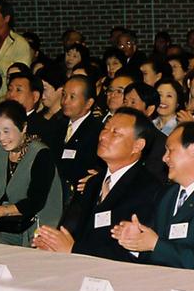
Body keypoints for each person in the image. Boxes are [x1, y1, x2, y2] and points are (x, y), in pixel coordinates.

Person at [34, 109, 162, 262]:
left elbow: (130, 252)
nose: (103, 136)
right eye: (105, 129)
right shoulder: (93, 182)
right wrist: (52, 242)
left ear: (137, 145)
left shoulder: (148, 188)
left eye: (115, 133)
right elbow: (72, 229)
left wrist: (74, 249)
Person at [0, 100, 64, 246]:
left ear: (23, 127)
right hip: (6, 223)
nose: (1, 138)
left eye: (6, 131)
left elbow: (35, 202)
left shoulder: (41, 154)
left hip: (33, 224)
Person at [50, 76, 102, 200]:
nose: (65, 101)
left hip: (79, 198)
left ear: (89, 103)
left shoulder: (98, 131)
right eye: (64, 95)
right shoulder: (56, 125)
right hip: (55, 195)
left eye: (72, 97)